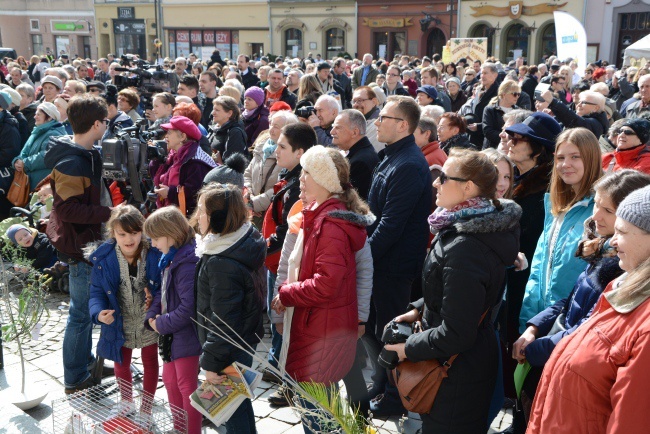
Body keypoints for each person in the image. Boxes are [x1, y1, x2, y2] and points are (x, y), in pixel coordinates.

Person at [385, 149, 521, 433]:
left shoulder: (466, 246)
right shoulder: (461, 227)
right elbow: (451, 289)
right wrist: (418, 309)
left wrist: (404, 350)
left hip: (458, 375)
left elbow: (457, 332)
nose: (435, 182)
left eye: (444, 177)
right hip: (457, 365)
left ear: (468, 187)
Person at [513, 170, 650, 423]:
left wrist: (538, 348)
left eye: (608, 211)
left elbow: (587, 327)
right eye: (596, 204)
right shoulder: (602, 251)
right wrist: (535, 326)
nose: (595, 215)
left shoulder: (619, 266)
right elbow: (573, 298)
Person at [272, 146, 370, 432]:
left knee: (319, 418)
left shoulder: (331, 224)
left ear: (324, 181)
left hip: (321, 326)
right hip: (316, 323)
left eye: (307, 174)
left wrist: (287, 294)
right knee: (318, 411)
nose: (301, 180)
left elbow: (327, 283)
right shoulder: (321, 215)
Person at [365, 96, 433, 416]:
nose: (377, 122)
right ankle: (382, 385)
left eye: (383, 118)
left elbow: (392, 224)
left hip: (394, 265)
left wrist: (364, 257)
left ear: (403, 125)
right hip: (382, 261)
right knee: (379, 329)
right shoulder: (391, 155)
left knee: (392, 332)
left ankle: (396, 398)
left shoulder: (407, 163)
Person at [44, 95, 113, 393]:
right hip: (78, 245)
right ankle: (75, 377)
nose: (107, 127)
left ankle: (84, 362)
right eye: (106, 122)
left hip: (84, 241)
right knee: (81, 314)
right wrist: (110, 213)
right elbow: (68, 210)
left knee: (84, 312)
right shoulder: (73, 160)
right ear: (96, 124)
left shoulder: (84, 152)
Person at [193, 183, 266, 434]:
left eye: (202, 210)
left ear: (218, 218)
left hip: (229, 349)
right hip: (242, 341)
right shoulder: (240, 241)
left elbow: (223, 322)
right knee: (239, 404)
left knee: (231, 412)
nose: (197, 215)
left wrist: (211, 363)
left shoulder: (222, 261)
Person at [519, 127, 603, 332]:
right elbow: (539, 270)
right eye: (560, 158)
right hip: (540, 324)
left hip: (574, 326)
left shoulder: (601, 211)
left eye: (575, 157)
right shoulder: (556, 207)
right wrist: (530, 322)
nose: (566, 165)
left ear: (591, 158)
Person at [88, 206, 161, 417]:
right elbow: (96, 292)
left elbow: (165, 287)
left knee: (150, 361)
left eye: (134, 233)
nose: (129, 239)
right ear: (113, 233)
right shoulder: (104, 260)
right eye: (122, 234)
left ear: (143, 231)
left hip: (148, 320)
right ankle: (127, 400)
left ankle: (146, 408)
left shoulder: (154, 254)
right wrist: (99, 312)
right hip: (119, 321)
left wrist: (155, 298)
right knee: (121, 362)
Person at [263, 123, 316, 406]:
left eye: (283, 147)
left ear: (300, 152)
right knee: (278, 326)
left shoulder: (301, 185)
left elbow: (290, 230)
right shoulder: (289, 176)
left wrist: (266, 244)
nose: (275, 150)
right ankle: (282, 373)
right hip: (276, 262)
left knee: (286, 328)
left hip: (285, 264)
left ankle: (290, 383)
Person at [144, 207, 202, 434]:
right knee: (169, 380)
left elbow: (189, 307)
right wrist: (152, 315)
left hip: (185, 337)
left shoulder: (186, 263)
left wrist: (162, 323)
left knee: (186, 386)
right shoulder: (170, 259)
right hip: (171, 336)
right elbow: (163, 293)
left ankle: (192, 431)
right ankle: (180, 428)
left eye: (156, 238)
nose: (154, 244)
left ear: (171, 234)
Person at [151, 116, 216, 216]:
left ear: (182, 137)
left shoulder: (195, 161)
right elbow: (156, 176)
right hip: (175, 213)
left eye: (169, 132)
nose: (165, 137)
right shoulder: (174, 154)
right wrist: (155, 158)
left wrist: (170, 193)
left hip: (188, 218)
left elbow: (195, 193)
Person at [244, 110, 298, 219]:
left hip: (270, 213)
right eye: (271, 124)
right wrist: (249, 198)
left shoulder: (289, 155)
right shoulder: (261, 147)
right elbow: (247, 174)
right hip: (251, 211)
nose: (271, 130)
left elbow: (280, 187)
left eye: (276, 127)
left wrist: (253, 204)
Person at [12, 102, 66, 191]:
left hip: (41, 185)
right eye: (35, 114)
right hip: (30, 182)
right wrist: (16, 161)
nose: (35, 117)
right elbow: (24, 152)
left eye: (38, 115)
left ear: (49, 117)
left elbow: (46, 156)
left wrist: (25, 163)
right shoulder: (37, 130)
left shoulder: (55, 134)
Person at [331, 109, 379, 200]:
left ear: (354, 132)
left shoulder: (360, 162)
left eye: (337, 128)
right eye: (333, 127)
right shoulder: (359, 154)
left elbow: (351, 201)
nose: (332, 132)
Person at [463, 62, 500, 148]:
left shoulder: (498, 93)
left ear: (495, 75)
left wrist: (479, 126)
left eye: (485, 73)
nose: (482, 76)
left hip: (487, 140)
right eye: (481, 73)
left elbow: (497, 119)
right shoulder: (480, 90)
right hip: (474, 136)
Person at [482, 80, 521, 149]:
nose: (517, 96)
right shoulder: (490, 109)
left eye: (519, 94)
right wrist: (508, 137)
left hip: (511, 149)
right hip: (492, 149)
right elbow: (488, 132)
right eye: (515, 94)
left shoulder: (518, 111)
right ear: (504, 94)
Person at [209, 95, 248, 162]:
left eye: (217, 110)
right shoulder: (215, 129)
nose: (213, 113)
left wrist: (219, 163)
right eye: (213, 109)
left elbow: (233, 165)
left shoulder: (235, 133)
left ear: (229, 113)